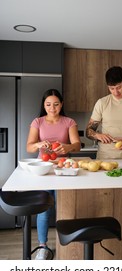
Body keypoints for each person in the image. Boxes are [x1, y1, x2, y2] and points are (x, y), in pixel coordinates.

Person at [26, 89, 81, 260]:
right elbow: (29, 147)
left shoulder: (69, 121)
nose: (52, 107)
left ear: (61, 104)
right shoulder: (37, 122)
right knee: (43, 210)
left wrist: (67, 147)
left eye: (56, 104)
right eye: (48, 104)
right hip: (43, 170)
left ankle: (68, 244)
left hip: (64, 169)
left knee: (65, 207)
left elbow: (77, 145)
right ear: (44, 105)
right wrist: (38, 144)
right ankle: (43, 246)